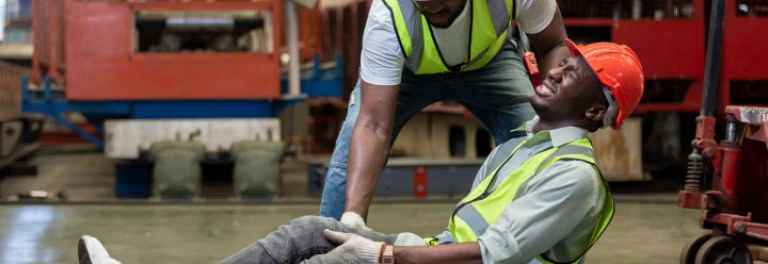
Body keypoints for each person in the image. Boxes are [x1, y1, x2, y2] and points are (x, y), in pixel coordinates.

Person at [78, 40, 644, 264]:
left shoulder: (574, 178)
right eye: (563, 63)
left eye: (572, 73)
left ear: (595, 112)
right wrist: (376, 236)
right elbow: (372, 121)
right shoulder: (524, 146)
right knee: (309, 231)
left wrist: (385, 255)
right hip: (435, 253)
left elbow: (490, 256)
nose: (554, 71)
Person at [320, 0, 578, 226]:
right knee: (350, 158)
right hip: (407, 70)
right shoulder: (388, 14)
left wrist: (554, 117)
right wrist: (351, 220)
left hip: (488, 62)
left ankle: (545, 249)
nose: (431, 6)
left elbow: (554, 44)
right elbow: (374, 125)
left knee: (539, 144)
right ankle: (331, 248)